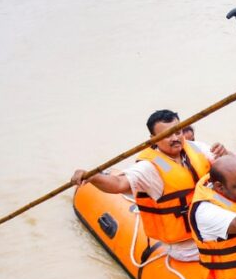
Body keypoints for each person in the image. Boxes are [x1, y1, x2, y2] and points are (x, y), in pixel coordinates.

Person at [71, 109, 227, 262]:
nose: (175, 138)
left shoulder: (196, 147)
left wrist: (225, 153)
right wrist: (91, 176)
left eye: (178, 132)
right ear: (153, 138)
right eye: (167, 135)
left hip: (212, 229)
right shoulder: (149, 167)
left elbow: (233, 172)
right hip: (188, 247)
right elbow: (118, 184)